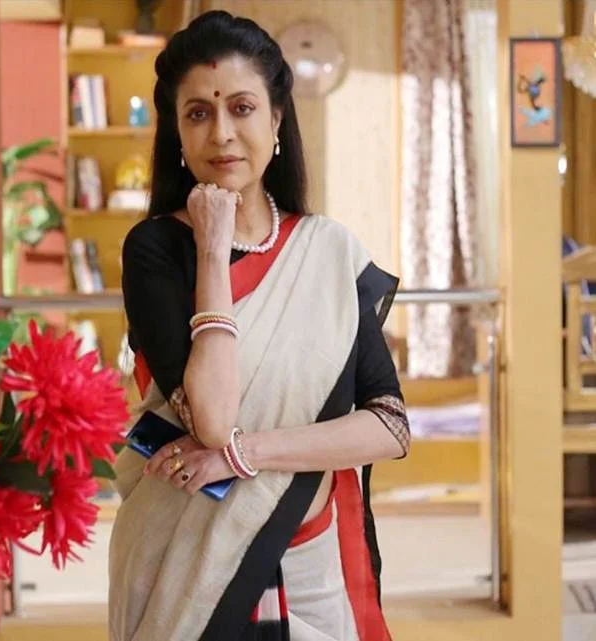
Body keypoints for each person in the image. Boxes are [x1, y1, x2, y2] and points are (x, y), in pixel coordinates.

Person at [109, 10, 410, 641]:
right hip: (185, 560)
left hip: (311, 557)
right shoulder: (155, 250)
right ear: (177, 134)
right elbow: (213, 420)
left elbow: (388, 425)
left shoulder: (326, 252)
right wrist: (213, 249)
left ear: (276, 121)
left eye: (241, 108)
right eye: (198, 113)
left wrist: (245, 455)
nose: (221, 133)